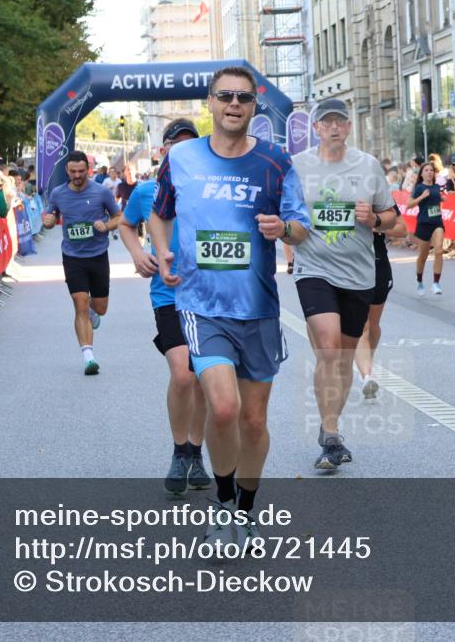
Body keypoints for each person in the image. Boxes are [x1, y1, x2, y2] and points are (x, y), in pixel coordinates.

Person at [149, 66, 310, 553]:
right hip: (201, 304)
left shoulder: (276, 161)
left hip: (257, 306)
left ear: (254, 104)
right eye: (225, 96)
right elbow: (160, 213)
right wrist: (163, 252)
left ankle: (245, 510)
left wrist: (283, 231)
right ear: (211, 102)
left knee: (254, 421)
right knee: (222, 408)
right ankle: (222, 507)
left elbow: (301, 226)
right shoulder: (181, 157)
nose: (234, 104)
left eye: (243, 97)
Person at [292, 97, 399, 470]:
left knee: (343, 356)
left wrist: (375, 220)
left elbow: (395, 221)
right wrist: (287, 234)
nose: (334, 127)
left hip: (358, 273)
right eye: (327, 122)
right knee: (329, 344)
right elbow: (286, 216)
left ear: (349, 127)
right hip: (314, 268)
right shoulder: (298, 167)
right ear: (316, 128)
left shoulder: (368, 166)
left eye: (340, 121)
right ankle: (332, 433)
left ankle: (329, 430)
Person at [118, 118, 210, 495]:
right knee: (183, 374)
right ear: (164, 150)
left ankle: (197, 452)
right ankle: (179, 450)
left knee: (205, 376)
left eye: (191, 144)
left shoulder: (209, 188)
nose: (183, 151)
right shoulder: (146, 191)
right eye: (177, 144)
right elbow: (126, 225)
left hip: (208, 294)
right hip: (168, 294)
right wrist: (139, 253)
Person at [42, 149, 122, 375]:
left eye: (81, 171)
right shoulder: (58, 193)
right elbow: (50, 218)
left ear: (88, 170)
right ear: (66, 170)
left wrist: (106, 226)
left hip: (98, 255)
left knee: (100, 308)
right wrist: (48, 221)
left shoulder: (101, 192)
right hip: (72, 256)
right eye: (73, 171)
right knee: (80, 303)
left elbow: (119, 217)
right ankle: (88, 357)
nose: (77, 175)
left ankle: (93, 313)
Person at [355, 208, 407, 400]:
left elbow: (403, 230)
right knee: (363, 326)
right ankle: (367, 375)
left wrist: (377, 224)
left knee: (373, 324)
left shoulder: (382, 199)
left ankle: (368, 361)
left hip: (378, 264)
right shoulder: (341, 193)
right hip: (352, 264)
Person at [407, 161, 446, 296]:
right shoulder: (419, 188)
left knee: (439, 250)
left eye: (431, 170)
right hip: (423, 224)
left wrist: (442, 198)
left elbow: (437, 200)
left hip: (437, 223)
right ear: (422, 174)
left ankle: (436, 283)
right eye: (426, 170)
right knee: (423, 256)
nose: (429, 172)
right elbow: (409, 205)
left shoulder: (436, 187)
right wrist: (422, 197)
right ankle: (419, 281)